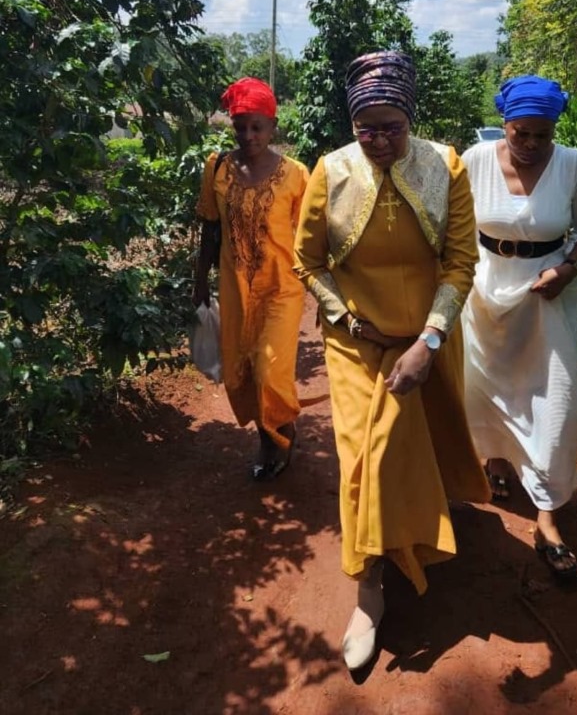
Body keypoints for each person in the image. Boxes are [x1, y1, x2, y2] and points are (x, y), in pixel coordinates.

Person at [293, 50, 490, 671]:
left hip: (428, 339)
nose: (378, 140)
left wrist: (429, 341)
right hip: (357, 344)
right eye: (365, 127)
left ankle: (421, 529)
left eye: (391, 127)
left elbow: (461, 263)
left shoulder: (446, 166)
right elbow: (309, 260)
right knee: (366, 460)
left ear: (411, 117)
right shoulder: (330, 172)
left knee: (423, 442)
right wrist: (347, 319)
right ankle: (370, 589)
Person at [461, 74, 577, 580]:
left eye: (541, 135)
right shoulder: (474, 162)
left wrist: (567, 270)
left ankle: (546, 517)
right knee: (486, 389)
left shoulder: (573, 166)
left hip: (549, 296)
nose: (530, 145)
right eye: (520, 133)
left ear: (554, 130)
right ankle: (497, 465)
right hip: (483, 293)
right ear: (504, 124)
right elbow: (452, 227)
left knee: (557, 402)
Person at [193, 77, 308, 481]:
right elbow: (210, 228)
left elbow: (308, 236)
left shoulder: (296, 175)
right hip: (235, 285)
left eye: (257, 126)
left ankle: (278, 433)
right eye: (240, 126)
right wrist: (200, 280)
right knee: (241, 370)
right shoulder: (218, 168)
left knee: (269, 370)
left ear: (272, 127)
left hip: (283, 287)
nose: (248, 135)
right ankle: (268, 433)